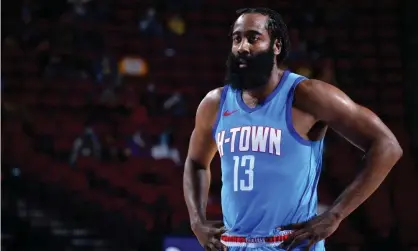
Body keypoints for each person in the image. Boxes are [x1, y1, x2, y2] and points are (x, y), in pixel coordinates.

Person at [183, 7, 402, 251]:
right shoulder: (214, 104)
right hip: (234, 245)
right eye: (237, 39)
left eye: (253, 38)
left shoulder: (307, 95)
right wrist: (196, 221)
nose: (242, 47)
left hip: (290, 245)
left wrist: (335, 215)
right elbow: (196, 162)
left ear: (276, 46)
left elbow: (387, 146)